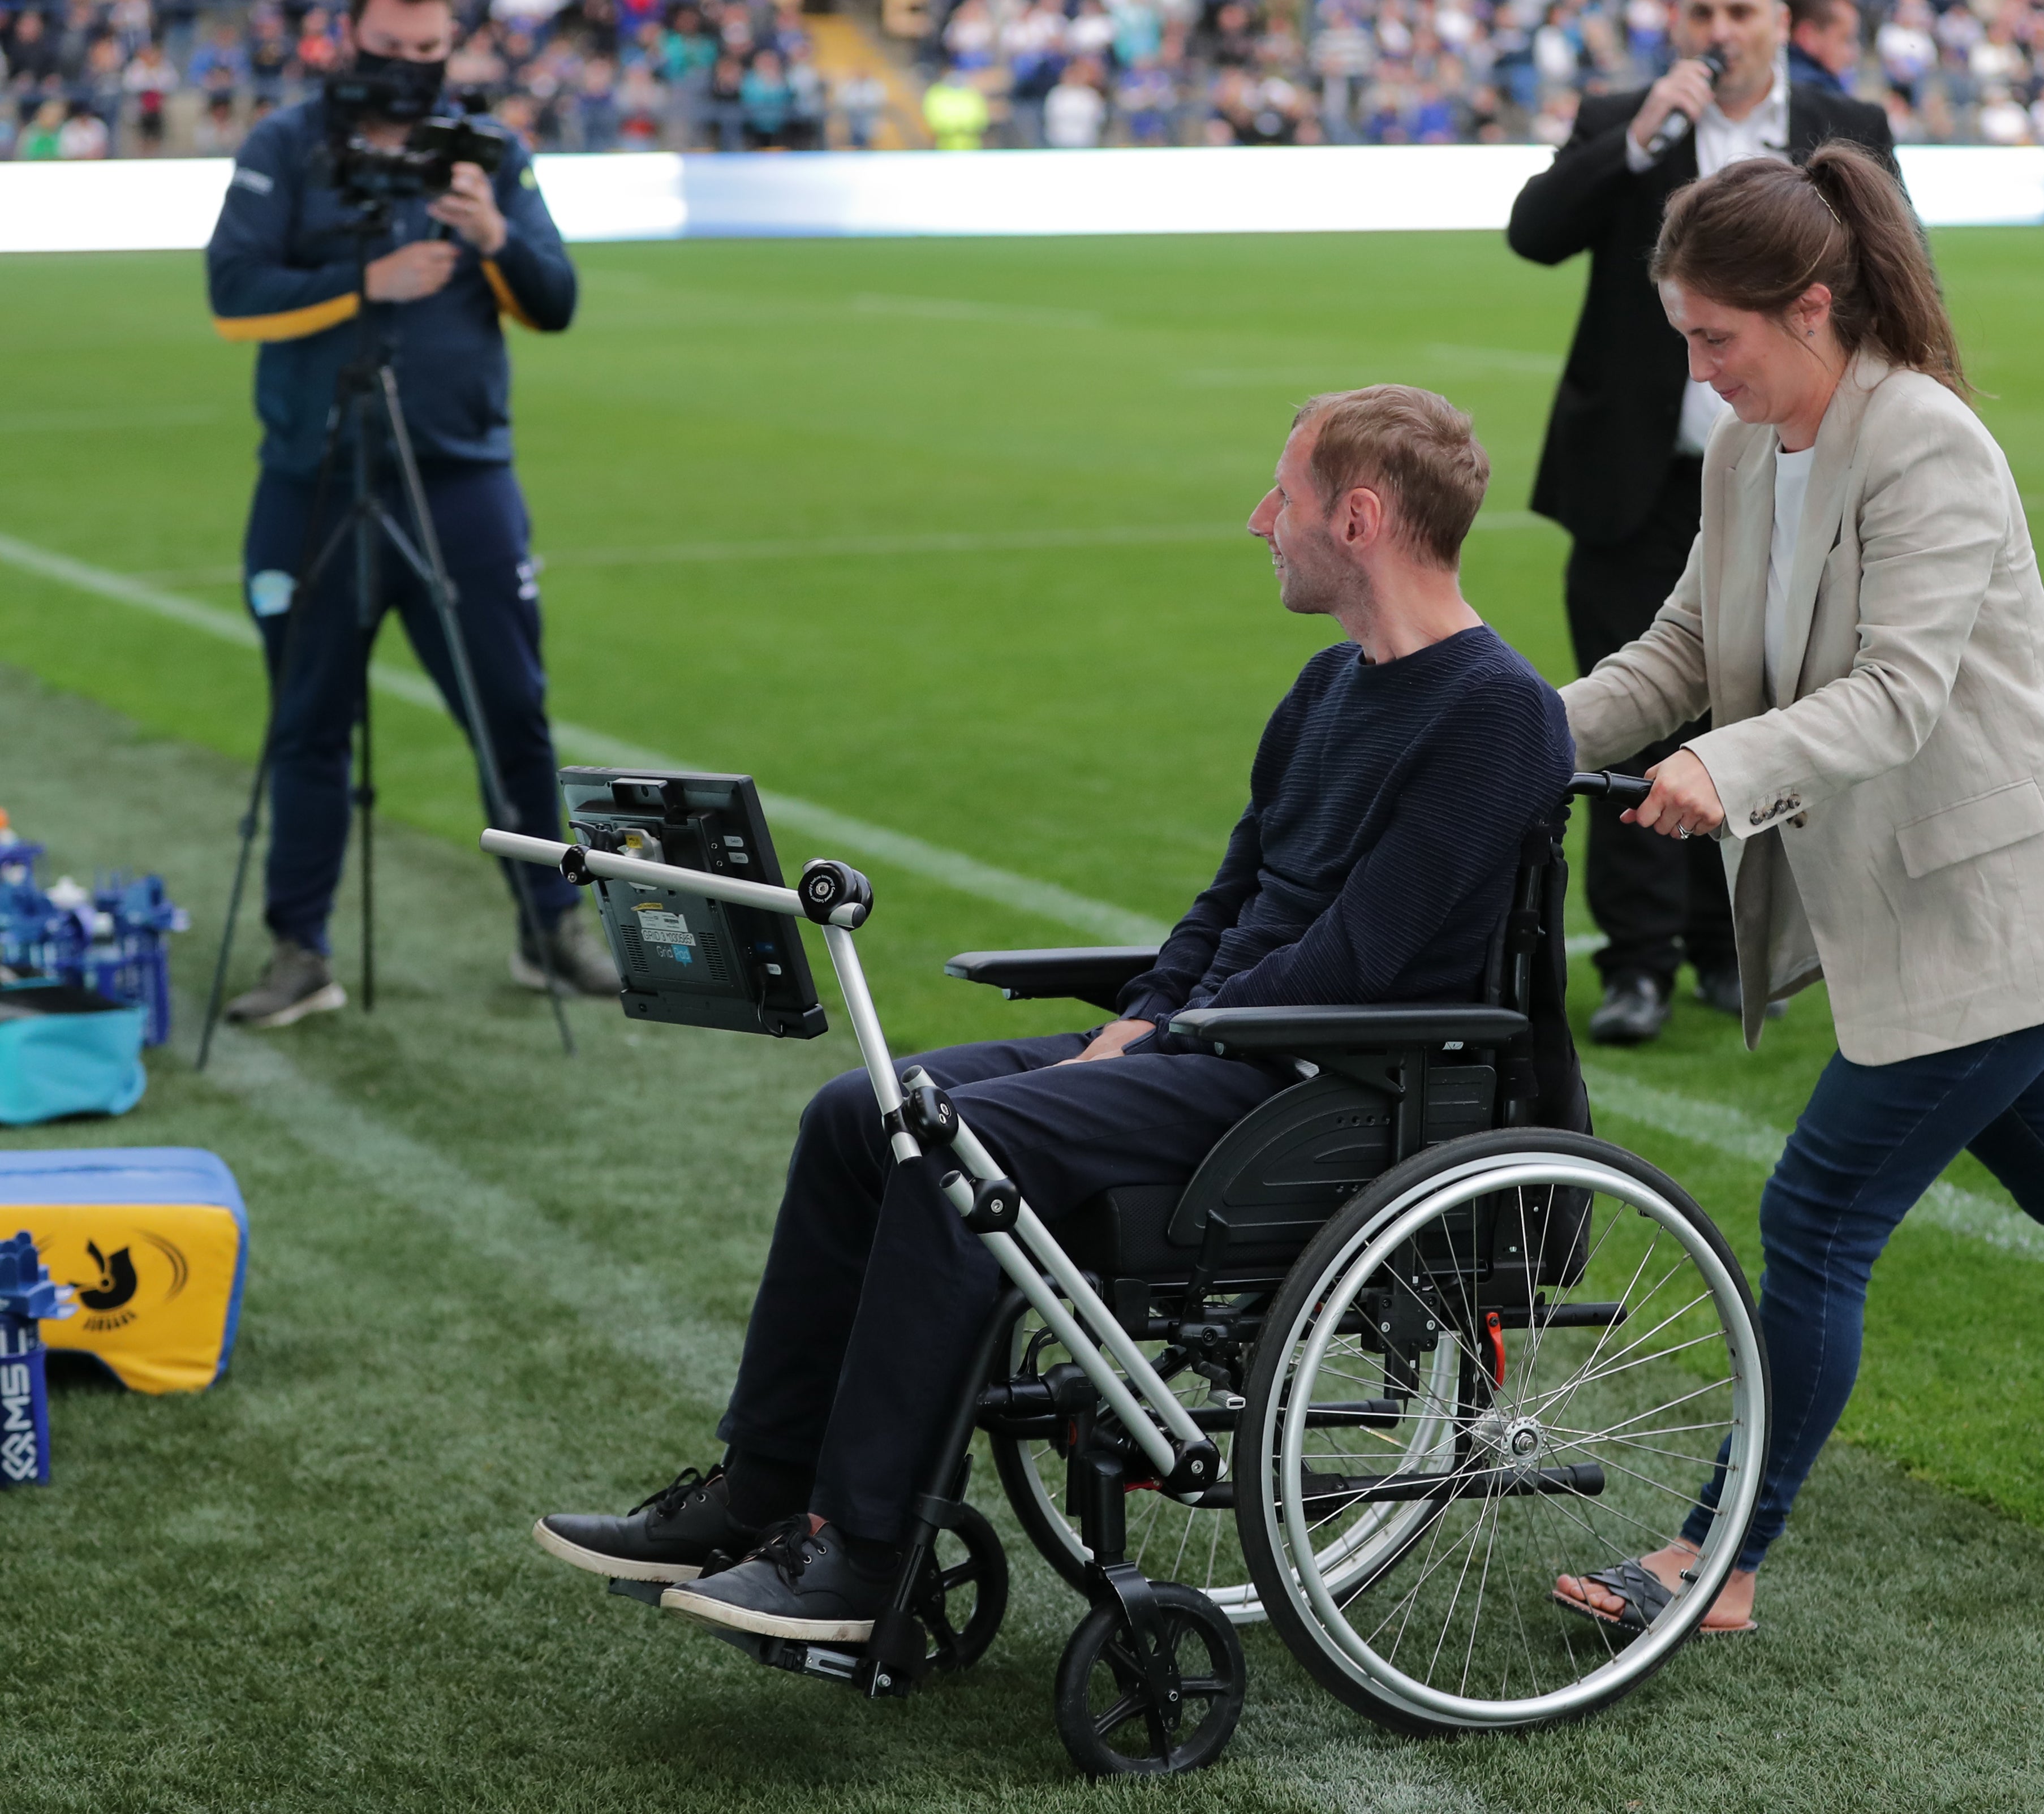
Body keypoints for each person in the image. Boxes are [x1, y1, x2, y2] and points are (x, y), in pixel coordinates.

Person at [531, 386, 1577, 1645]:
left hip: (1322, 1080)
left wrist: (1174, 1031)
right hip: (1218, 1044)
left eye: (1281, 497)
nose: (1259, 520)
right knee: (854, 1115)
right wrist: (1144, 1012)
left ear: (1356, 519)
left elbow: (1354, 957)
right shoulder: (1324, 688)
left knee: (948, 1149)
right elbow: (1229, 900)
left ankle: (856, 1556)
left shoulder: (1498, 712)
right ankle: (758, 1491)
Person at [1551, 144, 2044, 1638]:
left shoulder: (1925, 442)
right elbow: (1680, 652)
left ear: (1811, 307)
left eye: (1716, 340)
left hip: (1999, 901)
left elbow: (1896, 693)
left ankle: (1717, 1557)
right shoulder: (1747, 450)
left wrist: (1729, 767)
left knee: (1814, 1212)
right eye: (1682, 340)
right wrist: (1507, 731)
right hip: (1913, 902)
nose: (1698, 371)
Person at [206, 0, 618, 1028]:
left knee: (511, 713)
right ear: (348, 39)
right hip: (315, 477)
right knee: (306, 723)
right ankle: (301, 947)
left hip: (462, 480)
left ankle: (548, 928)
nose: (410, 71)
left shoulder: (488, 148)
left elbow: (557, 299)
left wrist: (492, 238)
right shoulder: (286, 142)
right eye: (391, 52)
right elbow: (232, 293)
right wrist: (366, 282)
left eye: (431, 53)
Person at [1507, 0, 1891, 1047]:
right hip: (1638, 472)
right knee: (1642, 699)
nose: (1719, 27)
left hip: (1790, 468)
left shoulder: (1843, 124)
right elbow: (1533, 235)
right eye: (1700, 9)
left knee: (1758, 707)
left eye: (1740, 9)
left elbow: (1894, 281)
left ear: (1782, 21)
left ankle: (1732, 946)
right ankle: (1638, 964)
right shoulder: (1627, 112)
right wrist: (1633, 141)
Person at [1786, 0, 1857, 93]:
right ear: (1807, 35)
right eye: (1845, 39)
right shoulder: (1821, 90)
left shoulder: (1774, 78)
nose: (1852, 55)